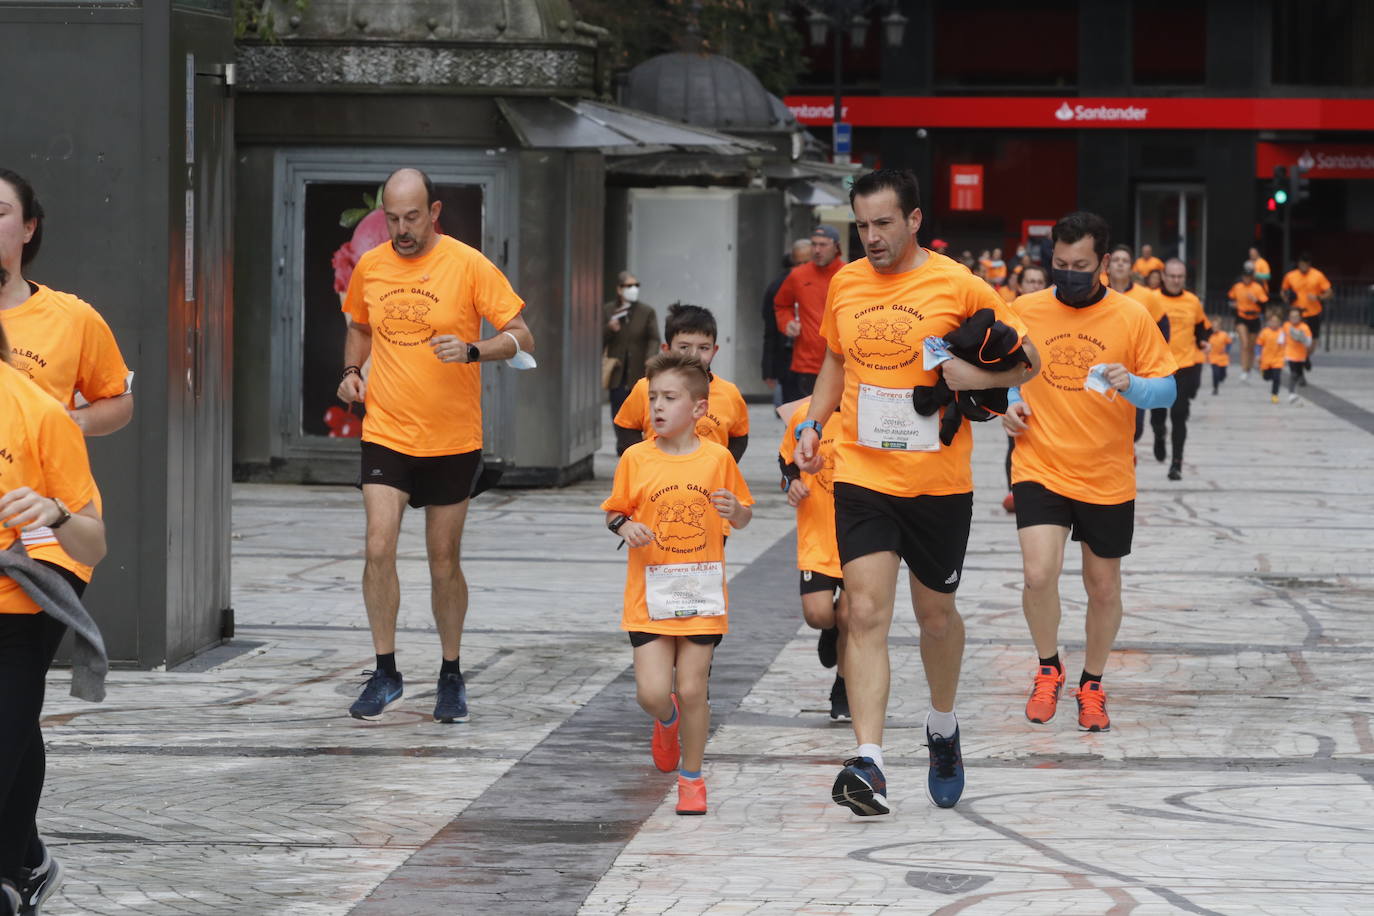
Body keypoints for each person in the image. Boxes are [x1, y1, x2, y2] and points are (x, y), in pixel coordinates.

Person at [794, 169, 1040, 815]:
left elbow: (1029, 362)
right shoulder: (846, 283)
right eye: (863, 225)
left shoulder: (959, 284)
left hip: (937, 483)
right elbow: (835, 361)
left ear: (914, 220)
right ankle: (869, 761)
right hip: (862, 476)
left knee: (935, 617)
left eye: (883, 224)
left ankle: (942, 725)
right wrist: (815, 425)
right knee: (866, 612)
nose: (871, 238)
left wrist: (972, 373)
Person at [336, 168, 534, 723]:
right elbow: (359, 326)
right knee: (378, 547)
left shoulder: (468, 264)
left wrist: (475, 350)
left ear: (435, 211)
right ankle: (385, 671)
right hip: (387, 431)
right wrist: (352, 370)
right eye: (393, 219)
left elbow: (523, 335)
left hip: (452, 437)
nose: (401, 230)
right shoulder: (371, 266)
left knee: (443, 559)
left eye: (412, 217)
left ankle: (451, 672)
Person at [0, 169, 132, 909]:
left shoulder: (71, 318)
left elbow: (118, 399)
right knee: (13, 714)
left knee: (13, 699)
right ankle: (28, 857)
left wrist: (61, 427)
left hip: (46, 541)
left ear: (29, 228)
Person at [1003, 211, 1177, 733]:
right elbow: (1005, 372)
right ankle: (1048, 667)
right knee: (1038, 574)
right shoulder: (1025, 309)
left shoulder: (1133, 317)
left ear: (1104, 262)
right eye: (1060, 263)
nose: (1069, 272)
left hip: (1106, 473)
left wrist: (1134, 385)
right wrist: (1009, 402)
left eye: (1080, 264)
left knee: (1103, 586)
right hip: (1040, 462)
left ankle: (1092, 683)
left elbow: (1166, 389)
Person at [602, 351, 753, 816]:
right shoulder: (635, 458)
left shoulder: (718, 458)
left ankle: (692, 779)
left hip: (701, 593)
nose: (658, 408)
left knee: (691, 688)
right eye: (653, 398)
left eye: (669, 398)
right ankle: (665, 721)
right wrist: (624, 527)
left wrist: (737, 513)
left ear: (700, 409)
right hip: (649, 594)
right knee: (652, 692)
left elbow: (744, 513)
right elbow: (615, 510)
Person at [0, 311, 108, 915]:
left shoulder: (37, 412)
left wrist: (55, 513)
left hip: (21, 606)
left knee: (10, 725)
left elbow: (93, 543)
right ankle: (23, 866)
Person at [779, 396, 849, 720]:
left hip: (863, 536)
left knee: (854, 617)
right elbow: (786, 462)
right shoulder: (804, 417)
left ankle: (844, 685)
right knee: (819, 614)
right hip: (818, 537)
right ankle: (830, 631)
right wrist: (792, 484)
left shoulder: (872, 411)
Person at [614, 305, 749, 461]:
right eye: (684, 347)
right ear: (667, 349)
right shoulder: (646, 387)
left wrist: (723, 465)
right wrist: (646, 461)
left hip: (709, 482)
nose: (693, 355)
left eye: (704, 348)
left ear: (714, 350)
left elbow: (739, 437)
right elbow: (626, 426)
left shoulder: (729, 393)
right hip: (659, 477)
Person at [1151, 259, 1210, 481]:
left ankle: (1176, 464)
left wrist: (1205, 341)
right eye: (1172, 276)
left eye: (1180, 277)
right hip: (1157, 367)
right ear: (1163, 277)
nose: (1176, 280)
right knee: (1157, 416)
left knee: (1179, 415)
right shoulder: (1152, 299)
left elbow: (1202, 328)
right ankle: (1158, 434)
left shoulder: (1193, 301)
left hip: (1184, 366)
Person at [1104, 244, 1169, 446]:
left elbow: (1162, 327)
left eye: (1124, 261)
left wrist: (1154, 360)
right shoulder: (1095, 292)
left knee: (1135, 428)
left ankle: (1125, 458)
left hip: (1134, 371)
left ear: (1132, 267)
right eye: (1116, 260)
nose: (1120, 264)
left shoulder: (1146, 297)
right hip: (1101, 368)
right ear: (1107, 265)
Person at [774, 225, 844, 401]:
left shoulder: (849, 274)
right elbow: (781, 305)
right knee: (802, 419)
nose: (817, 250)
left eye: (823, 245)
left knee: (836, 422)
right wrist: (787, 322)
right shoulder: (797, 275)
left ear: (836, 247)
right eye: (814, 244)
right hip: (807, 364)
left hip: (841, 363)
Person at [1001, 263, 1049, 513]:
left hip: (1044, 387)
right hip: (1015, 384)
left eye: (1039, 282)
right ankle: (1014, 489)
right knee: (1015, 439)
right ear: (1019, 285)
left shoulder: (1051, 314)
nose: (1035, 286)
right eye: (1030, 281)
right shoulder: (1009, 313)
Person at [603, 270, 661, 420]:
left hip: (639, 369)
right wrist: (610, 329)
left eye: (636, 285)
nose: (633, 289)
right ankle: (621, 442)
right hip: (617, 371)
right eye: (628, 286)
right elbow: (598, 339)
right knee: (618, 409)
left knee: (640, 408)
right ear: (619, 289)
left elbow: (654, 338)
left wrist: (650, 357)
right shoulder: (609, 310)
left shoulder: (646, 311)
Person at [762, 240, 811, 408]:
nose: (803, 267)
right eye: (798, 263)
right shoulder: (779, 286)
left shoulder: (823, 283)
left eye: (807, 262)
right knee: (792, 414)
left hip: (815, 361)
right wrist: (768, 369)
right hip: (788, 361)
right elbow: (770, 330)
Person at [1280, 253, 1331, 371]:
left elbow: (1329, 292)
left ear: (1309, 265)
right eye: (1301, 265)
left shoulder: (1318, 275)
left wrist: (1318, 297)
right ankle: (1299, 367)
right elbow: (1283, 291)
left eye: (1306, 265)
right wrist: (1287, 298)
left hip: (1313, 312)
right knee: (1295, 339)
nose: (1304, 267)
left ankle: (1306, 356)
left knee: (1313, 341)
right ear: (1298, 264)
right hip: (1296, 313)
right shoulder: (1290, 276)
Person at [1228, 263, 1268, 380]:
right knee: (1244, 343)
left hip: (1254, 317)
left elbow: (1264, 302)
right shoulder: (1237, 286)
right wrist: (1233, 304)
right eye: (1245, 276)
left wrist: (1256, 300)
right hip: (1241, 316)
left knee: (1251, 345)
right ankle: (1244, 369)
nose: (1247, 278)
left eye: (1249, 276)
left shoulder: (1257, 287)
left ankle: (1249, 367)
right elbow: (1230, 298)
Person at [1281, 306, 1313, 403]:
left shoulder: (1304, 327)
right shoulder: (1286, 325)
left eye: (1296, 316)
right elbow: (1281, 338)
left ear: (1300, 317)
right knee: (1293, 373)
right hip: (1290, 354)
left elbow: (1309, 343)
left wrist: (1301, 338)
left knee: (1300, 371)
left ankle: (1303, 372)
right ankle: (1291, 393)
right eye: (1292, 316)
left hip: (1301, 355)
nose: (1294, 319)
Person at [1256, 309, 1286, 404]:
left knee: (1277, 377)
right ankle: (1263, 373)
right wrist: (1258, 355)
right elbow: (1258, 345)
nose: (1274, 323)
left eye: (1276, 322)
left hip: (1278, 359)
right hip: (1266, 360)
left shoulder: (1282, 332)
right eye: (1272, 321)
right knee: (1266, 377)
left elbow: (1287, 345)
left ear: (1280, 322)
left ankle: (1274, 394)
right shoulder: (1265, 332)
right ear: (1268, 322)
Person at [1207, 322, 1233, 395]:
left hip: (1223, 358)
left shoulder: (1224, 335)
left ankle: (1222, 377)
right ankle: (1215, 388)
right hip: (1213, 357)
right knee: (1215, 373)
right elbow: (1205, 344)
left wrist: (1227, 350)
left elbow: (1229, 343)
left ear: (1220, 327)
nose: (1215, 328)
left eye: (1217, 327)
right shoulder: (1209, 335)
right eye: (1214, 327)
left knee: (1222, 374)